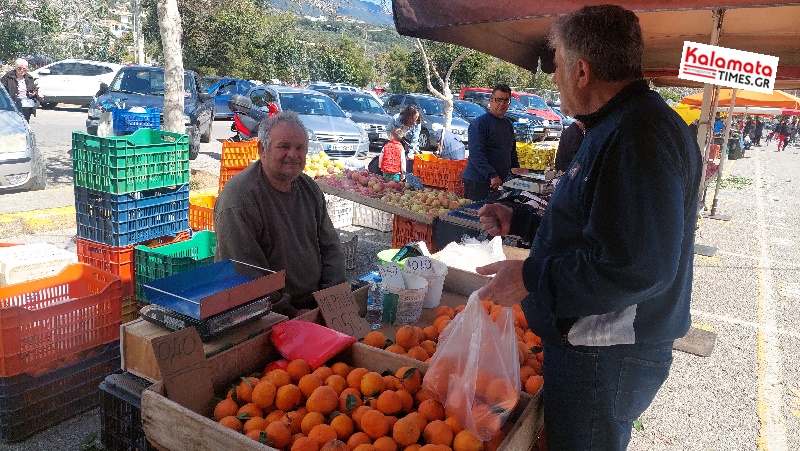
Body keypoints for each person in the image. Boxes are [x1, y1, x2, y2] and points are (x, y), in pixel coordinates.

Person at [475, 5, 701, 449]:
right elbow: (601, 222)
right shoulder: (620, 125)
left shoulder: (637, 136)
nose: (553, 78)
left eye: (557, 65)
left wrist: (530, 276)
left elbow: (636, 266)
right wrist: (522, 221)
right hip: (598, 351)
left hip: (605, 355)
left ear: (582, 70)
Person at [214, 111, 347, 318]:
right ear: (262, 149)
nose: (293, 155)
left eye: (300, 148)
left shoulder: (308, 188)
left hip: (314, 306)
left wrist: (331, 301)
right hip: (267, 315)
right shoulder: (239, 200)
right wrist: (291, 313)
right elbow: (246, 276)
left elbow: (331, 249)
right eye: (284, 146)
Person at [461, 83, 520, 200]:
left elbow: (511, 151)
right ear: (491, 101)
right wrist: (492, 175)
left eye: (505, 100)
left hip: (499, 182)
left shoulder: (508, 124)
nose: (502, 104)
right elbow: (476, 155)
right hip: (478, 182)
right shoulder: (480, 124)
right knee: (475, 216)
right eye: (498, 100)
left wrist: (517, 170)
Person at [1, 58, 38, 122]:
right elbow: (2, 90)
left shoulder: (29, 78)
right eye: (19, 68)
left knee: (25, 124)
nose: (22, 70)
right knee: (13, 124)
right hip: (12, 105)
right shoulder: (8, 76)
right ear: (15, 68)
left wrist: (34, 93)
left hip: (26, 106)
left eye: (24, 68)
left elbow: (34, 89)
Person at [390, 105, 422, 173]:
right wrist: (392, 141)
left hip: (410, 147)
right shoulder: (396, 118)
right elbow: (388, 130)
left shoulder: (417, 123)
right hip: (396, 145)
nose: (416, 119)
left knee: (408, 167)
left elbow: (415, 140)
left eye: (417, 117)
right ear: (409, 116)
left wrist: (409, 154)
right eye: (414, 117)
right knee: (396, 166)